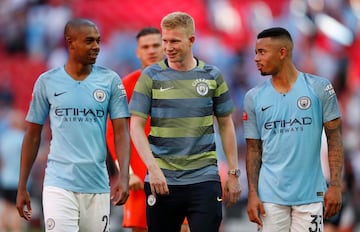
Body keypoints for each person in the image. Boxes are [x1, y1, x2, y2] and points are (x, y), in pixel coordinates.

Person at [129, 11, 241, 232]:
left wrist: (233, 173)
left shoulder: (212, 76)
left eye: (174, 41)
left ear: (191, 40)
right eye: (165, 41)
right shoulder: (151, 76)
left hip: (204, 180)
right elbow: (136, 126)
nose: (168, 47)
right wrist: (153, 169)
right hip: (162, 181)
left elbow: (226, 125)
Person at [16, 18, 131, 232]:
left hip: (97, 184)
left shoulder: (110, 80)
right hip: (59, 183)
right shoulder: (47, 82)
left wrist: (123, 176)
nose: (96, 47)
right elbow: (32, 135)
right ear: (70, 43)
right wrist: (22, 185)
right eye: (89, 41)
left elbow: (121, 132)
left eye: (98, 41)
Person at [243, 27, 344, 231]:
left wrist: (335, 185)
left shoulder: (319, 88)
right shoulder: (253, 97)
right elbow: (253, 149)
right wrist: (253, 193)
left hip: (310, 195)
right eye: (255, 52)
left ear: (282, 53)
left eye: (262, 52)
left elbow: (334, 138)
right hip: (270, 197)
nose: (255, 58)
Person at [106, 27, 190, 232]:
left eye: (155, 45)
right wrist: (127, 172)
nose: (151, 50)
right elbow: (113, 131)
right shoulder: (126, 86)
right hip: (141, 178)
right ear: (137, 51)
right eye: (145, 46)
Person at [0, 110, 26, 232]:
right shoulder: (23, 138)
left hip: (5, 179)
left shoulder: (4, 138)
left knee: (5, 207)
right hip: (19, 181)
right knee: (17, 210)